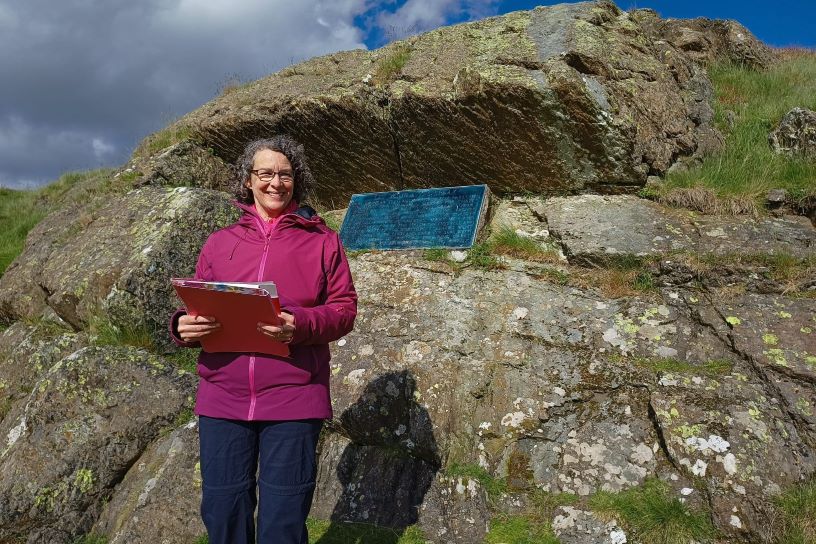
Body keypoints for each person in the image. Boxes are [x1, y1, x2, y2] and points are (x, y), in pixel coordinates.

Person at [169, 135, 357, 544]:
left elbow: (344, 309)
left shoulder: (323, 240)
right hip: (224, 397)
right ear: (248, 180)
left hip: (294, 397)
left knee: (282, 522)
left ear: (297, 180)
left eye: (285, 174)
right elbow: (196, 303)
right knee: (223, 513)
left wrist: (299, 324)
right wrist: (183, 325)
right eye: (266, 173)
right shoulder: (220, 242)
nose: (276, 182)